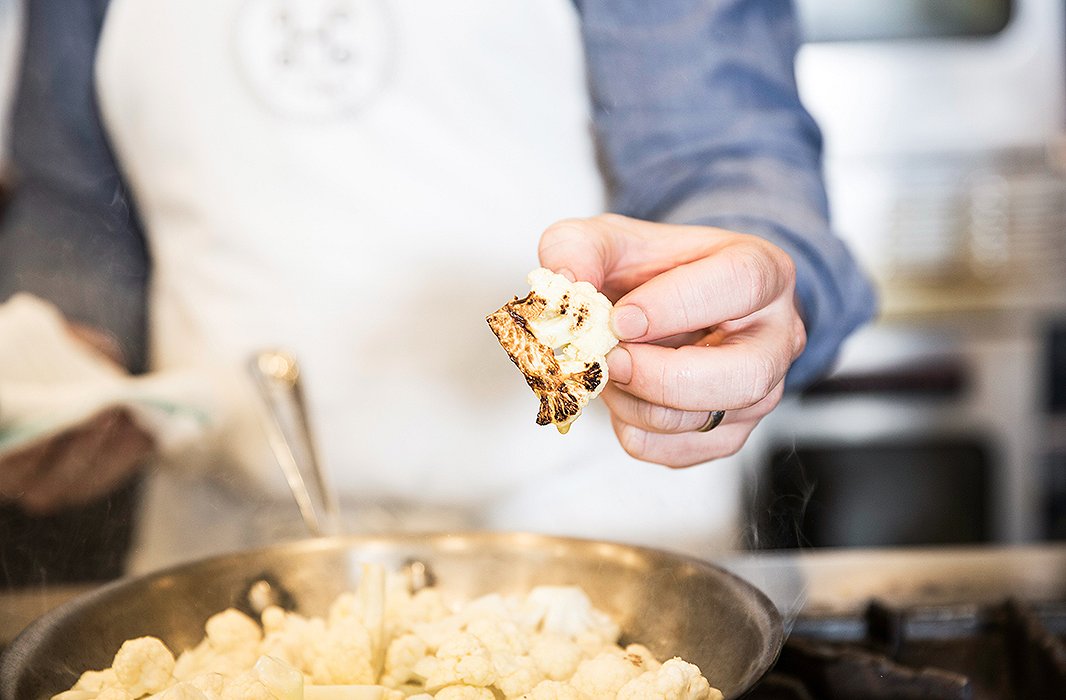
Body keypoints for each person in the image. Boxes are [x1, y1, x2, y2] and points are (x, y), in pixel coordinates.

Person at [0, 0, 875, 576]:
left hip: (590, 549)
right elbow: (74, 202)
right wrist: (71, 352)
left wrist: (741, 294)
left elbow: (728, 163)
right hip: (222, 557)